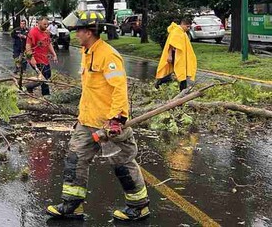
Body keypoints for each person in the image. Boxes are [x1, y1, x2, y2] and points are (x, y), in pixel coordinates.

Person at [47, 11, 150, 221]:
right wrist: (81, 115)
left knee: (122, 163)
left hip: (108, 123)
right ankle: (72, 205)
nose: (75, 34)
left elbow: (119, 88)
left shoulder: (108, 55)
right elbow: (91, 90)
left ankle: (139, 206)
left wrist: (117, 119)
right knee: (75, 159)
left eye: (78, 31)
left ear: (89, 32)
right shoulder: (87, 52)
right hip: (87, 122)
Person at [155, 18, 197, 91]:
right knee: (181, 73)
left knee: (179, 72)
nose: (188, 28)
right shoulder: (176, 31)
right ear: (183, 24)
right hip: (176, 55)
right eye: (187, 26)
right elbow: (171, 44)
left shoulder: (181, 32)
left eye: (189, 27)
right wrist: (170, 55)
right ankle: (182, 92)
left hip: (180, 56)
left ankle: (161, 81)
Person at [25, 17, 58, 95]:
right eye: (44, 24)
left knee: (47, 75)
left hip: (44, 59)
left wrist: (54, 54)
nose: (46, 26)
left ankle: (30, 86)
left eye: (47, 24)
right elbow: (28, 46)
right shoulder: (33, 32)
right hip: (36, 59)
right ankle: (46, 96)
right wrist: (32, 58)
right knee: (44, 78)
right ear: (39, 23)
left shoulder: (46, 32)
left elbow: (49, 43)